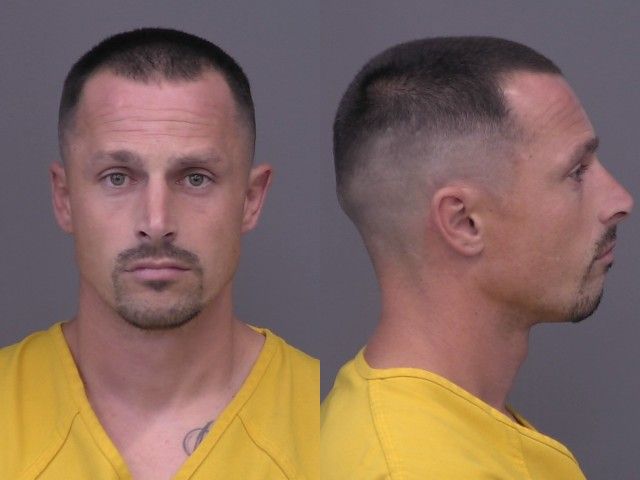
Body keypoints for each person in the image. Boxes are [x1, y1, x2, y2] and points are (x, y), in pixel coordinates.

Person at [0, 28, 318, 480]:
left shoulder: (327, 417)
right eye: (117, 177)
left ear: (251, 199)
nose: (155, 221)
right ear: (64, 198)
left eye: (195, 178)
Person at [321, 36, 633, 479]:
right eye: (577, 172)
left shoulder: (447, 431)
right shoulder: (409, 469)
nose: (621, 201)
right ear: (464, 221)